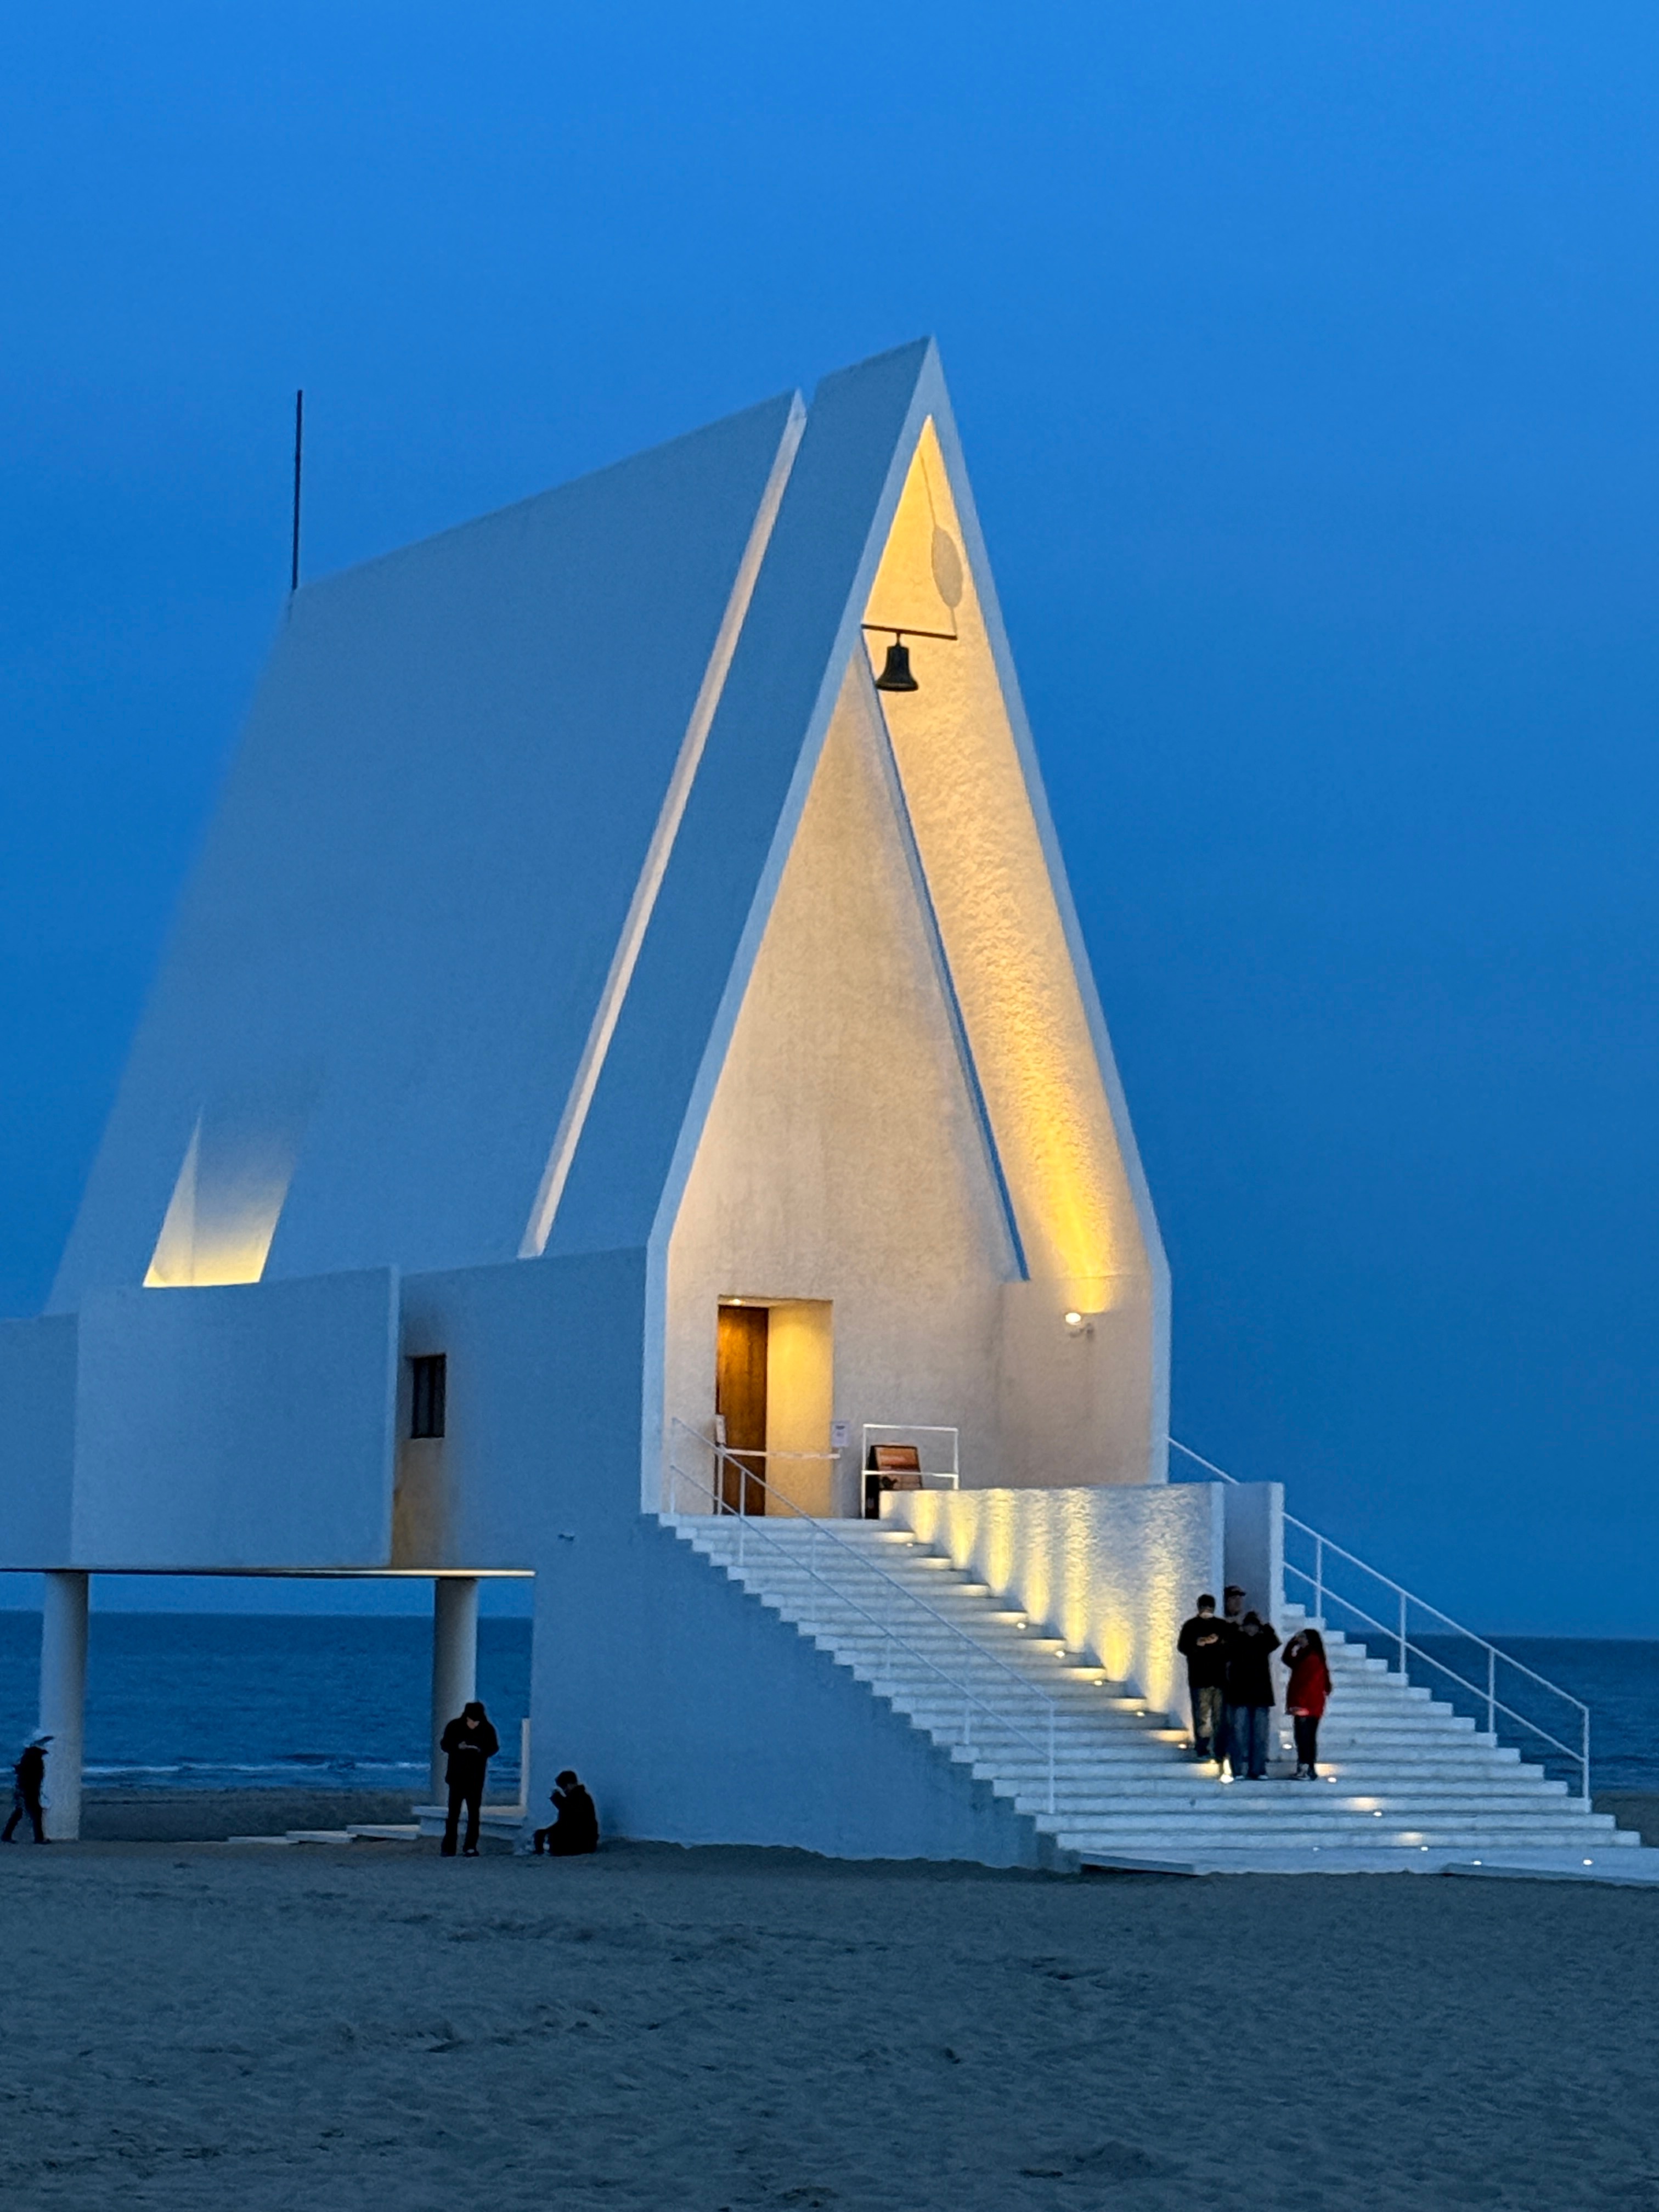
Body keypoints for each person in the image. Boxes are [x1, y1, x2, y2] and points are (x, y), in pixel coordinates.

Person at [439, 1700, 499, 1857]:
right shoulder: (454, 1726)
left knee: (474, 1815)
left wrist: (481, 1750)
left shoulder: (487, 1729)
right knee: (453, 1814)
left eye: (476, 1721)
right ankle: (449, 1847)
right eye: (471, 1720)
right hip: (457, 1776)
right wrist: (457, 1747)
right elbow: (444, 1744)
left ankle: (470, 1846)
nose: (473, 1724)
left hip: (476, 1778)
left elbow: (494, 1747)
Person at [1224, 1610, 1280, 1780]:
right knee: (1238, 1734)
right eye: (1248, 1626)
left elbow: (1275, 1641)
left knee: (1260, 1736)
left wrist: (1265, 1626)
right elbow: (1228, 1638)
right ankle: (1237, 1769)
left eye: (1254, 1626)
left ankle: (1258, 1770)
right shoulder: (1236, 1641)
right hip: (1239, 1695)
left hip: (1261, 1696)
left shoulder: (1263, 1642)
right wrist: (1236, 1626)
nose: (1251, 1629)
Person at [1176, 1594, 1231, 1763]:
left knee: (1219, 1718)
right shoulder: (1191, 1626)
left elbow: (1230, 1650)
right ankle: (1203, 1748)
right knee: (1202, 1717)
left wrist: (1218, 1644)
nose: (1207, 1610)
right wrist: (1198, 1644)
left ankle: (1219, 1750)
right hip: (1200, 1679)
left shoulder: (1222, 1626)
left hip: (1219, 1679)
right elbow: (1183, 1647)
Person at [1282, 1627, 1333, 1779]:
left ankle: (1307, 1768)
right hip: (1308, 1705)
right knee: (1304, 1738)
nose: (1300, 1639)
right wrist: (1292, 1643)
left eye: (1303, 1637)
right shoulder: (1305, 1656)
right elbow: (1288, 1660)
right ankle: (1305, 1768)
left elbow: (1309, 1684)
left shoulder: (1312, 1658)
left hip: (1308, 1706)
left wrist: (1300, 1703)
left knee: (1305, 1738)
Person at [1216, 1585, 1247, 1776]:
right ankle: (1221, 1758)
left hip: (1238, 1687)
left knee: (1237, 1728)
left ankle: (1236, 1765)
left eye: (1239, 1599)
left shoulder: (1243, 1629)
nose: (1237, 1602)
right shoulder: (1221, 1628)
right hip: (1221, 1685)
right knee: (1222, 1725)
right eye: (1233, 1599)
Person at [533, 1769, 599, 1857]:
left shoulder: (581, 1798)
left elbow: (571, 1817)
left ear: (569, 1784)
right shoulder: (579, 1797)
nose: (564, 1791)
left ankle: (541, 1853)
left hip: (581, 1842)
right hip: (584, 1841)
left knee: (545, 1836)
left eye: (564, 1787)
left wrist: (558, 1799)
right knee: (542, 1834)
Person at [1, 1736, 49, 1844]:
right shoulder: (35, 1760)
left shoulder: (27, 1758)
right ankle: (39, 1838)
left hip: (24, 1790)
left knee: (20, 1812)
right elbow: (34, 1778)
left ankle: (6, 1835)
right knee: (35, 1813)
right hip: (30, 1790)